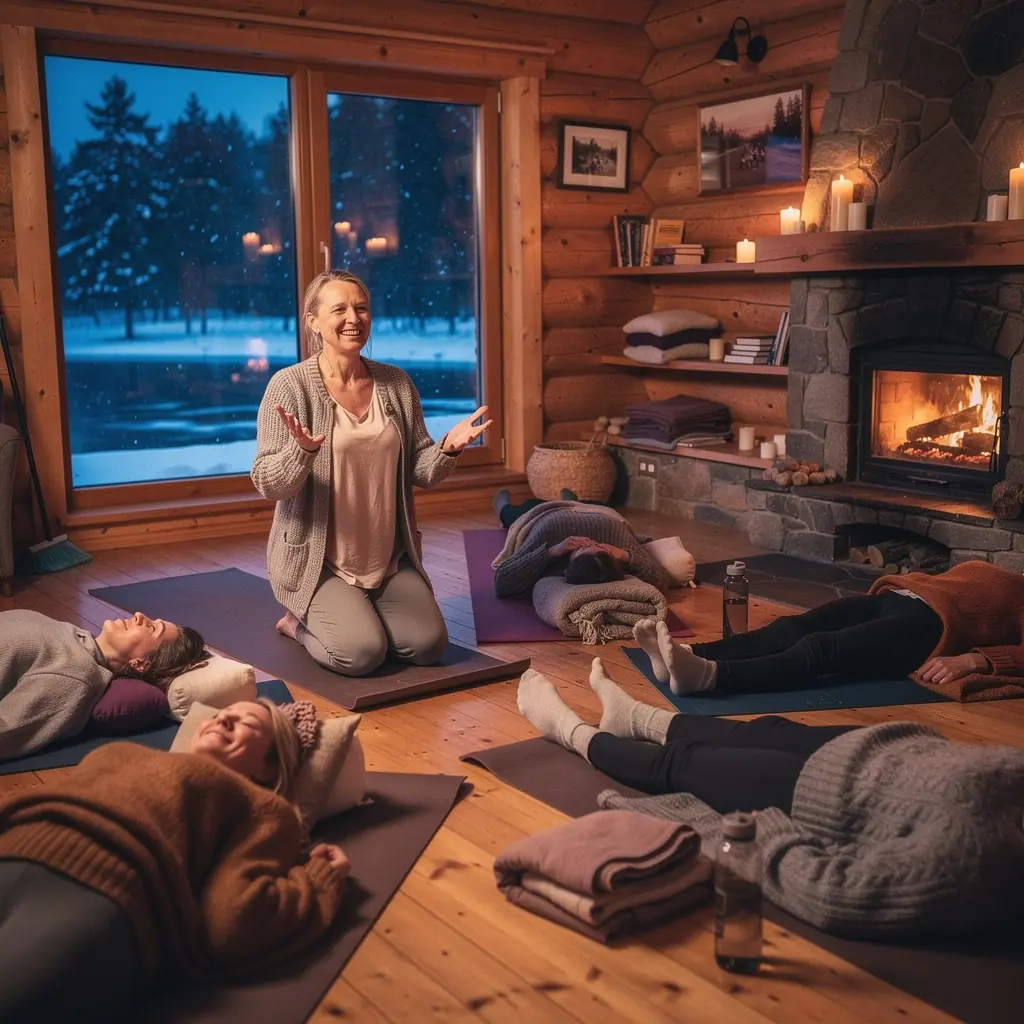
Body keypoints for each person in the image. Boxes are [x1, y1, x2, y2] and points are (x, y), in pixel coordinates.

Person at [515, 660, 1024, 941]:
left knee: (687, 766)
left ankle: (570, 733)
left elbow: (834, 895)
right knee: (760, 729)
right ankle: (636, 719)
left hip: (824, 797)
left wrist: (768, 833)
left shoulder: (970, 862)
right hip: (888, 750)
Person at [0, 697, 349, 1023]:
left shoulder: (263, 808)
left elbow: (233, 921)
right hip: (14, 847)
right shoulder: (117, 753)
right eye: (219, 713)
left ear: (267, 769)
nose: (223, 717)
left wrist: (319, 879)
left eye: (248, 724)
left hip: (94, 891)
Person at [252, 269, 491, 677]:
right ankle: (297, 623)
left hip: (386, 558)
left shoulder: (395, 383)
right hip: (319, 561)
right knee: (362, 654)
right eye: (339, 309)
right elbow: (267, 482)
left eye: (361, 308)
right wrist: (302, 451)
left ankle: (363, 609)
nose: (353, 318)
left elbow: (421, 470)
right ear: (313, 322)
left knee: (428, 646)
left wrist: (449, 447)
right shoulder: (288, 386)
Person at [633, 559, 1024, 701]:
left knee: (821, 648)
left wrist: (976, 660)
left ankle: (710, 678)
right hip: (901, 596)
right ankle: (688, 658)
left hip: (930, 627)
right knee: (792, 626)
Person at [0, 609, 205, 761]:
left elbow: (7, 734)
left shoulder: (73, 673)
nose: (139, 615)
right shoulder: (75, 636)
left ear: (140, 663)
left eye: (151, 628)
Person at [490, 491, 671, 598]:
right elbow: (661, 578)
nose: (590, 541)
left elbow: (503, 582)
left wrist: (551, 552)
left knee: (518, 511)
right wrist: (625, 555)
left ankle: (503, 505)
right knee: (593, 501)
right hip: (597, 512)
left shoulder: (549, 535)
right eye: (599, 547)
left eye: (583, 548)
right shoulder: (617, 537)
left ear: (569, 562)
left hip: (546, 514)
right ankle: (570, 498)